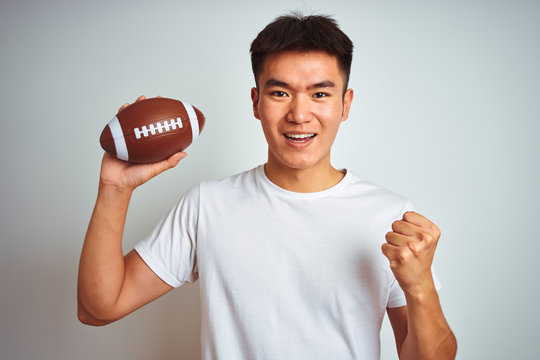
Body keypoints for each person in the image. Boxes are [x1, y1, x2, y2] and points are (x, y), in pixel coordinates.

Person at [78, 13, 457, 360]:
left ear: (345, 104)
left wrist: (420, 285)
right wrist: (114, 189)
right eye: (280, 92)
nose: (299, 114)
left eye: (320, 93)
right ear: (256, 102)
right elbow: (98, 308)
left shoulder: (389, 218)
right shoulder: (208, 205)